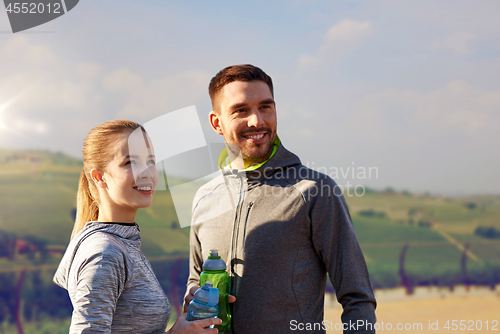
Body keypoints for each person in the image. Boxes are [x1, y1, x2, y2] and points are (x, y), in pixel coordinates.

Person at [184, 65, 377, 333]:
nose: (257, 121)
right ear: (217, 123)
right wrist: (194, 296)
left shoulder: (315, 191)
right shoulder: (204, 197)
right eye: (241, 110)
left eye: (265, 107)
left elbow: (358, 296)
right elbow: (195, 278)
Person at [53, 120, 220, 334]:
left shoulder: (123, 244)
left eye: (151, 161)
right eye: (130, 162)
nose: (147, 173)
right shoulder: (105, 253)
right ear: (99, 177)